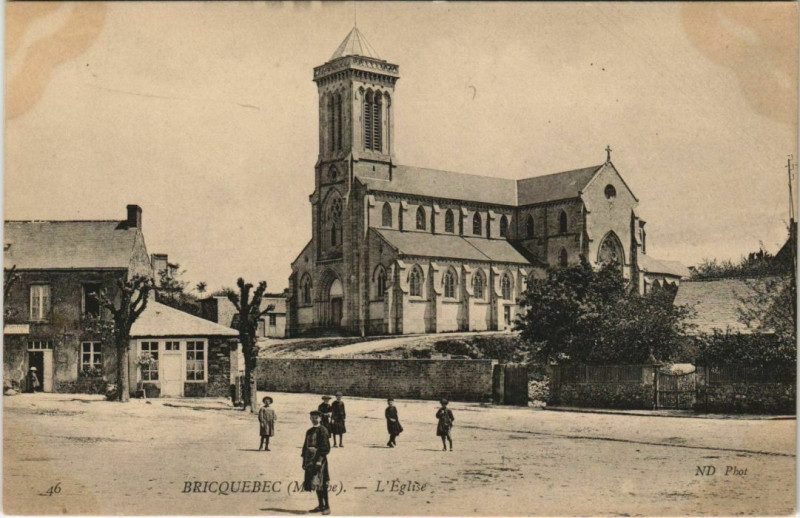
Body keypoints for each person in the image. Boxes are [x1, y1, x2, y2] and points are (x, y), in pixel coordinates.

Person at [302, 410, 331, 515]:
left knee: (322, 483)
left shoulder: (323, 430)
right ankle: (320, 505)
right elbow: (305, 446)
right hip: (310, 460)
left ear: (320, 418)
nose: (314, 419)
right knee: (314, 483)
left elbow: (325, 448)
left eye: (316, 417)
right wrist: (304, 461)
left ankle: (327, 506)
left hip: (320, 460)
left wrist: (319, 461)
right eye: (312, 417)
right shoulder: (309, 431)